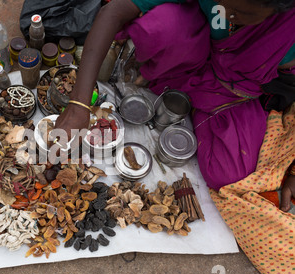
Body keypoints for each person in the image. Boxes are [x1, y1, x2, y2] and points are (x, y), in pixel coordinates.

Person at [54, 0, 295, 210]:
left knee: (227, 174)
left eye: (243, 12)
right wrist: (78, 104)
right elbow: (114, 11)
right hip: (197, 48)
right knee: (159, 27)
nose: (226, 12)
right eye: (221, 0)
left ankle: (200, 105)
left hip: (238, 90)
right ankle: (185, 91)